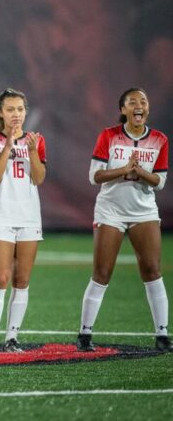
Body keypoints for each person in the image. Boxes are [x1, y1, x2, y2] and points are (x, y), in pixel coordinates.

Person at [77, 88, 171, 353]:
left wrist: (140, 171)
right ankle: (85, 334)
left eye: (143, 101)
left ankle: (162, 335)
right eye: (132, 102)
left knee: (152, 271)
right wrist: (124, 170)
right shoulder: (109, 135)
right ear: (123, 110)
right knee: (102, 273)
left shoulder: (159, 139)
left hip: (144, 211)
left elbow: (160, 182)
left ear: (148, 108)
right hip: (111, 211)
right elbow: (94, 176)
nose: (139, 105)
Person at [0, 88, 46, 353]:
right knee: (0, 277)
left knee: (22, 279)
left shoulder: (36, 141)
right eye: (10, 109)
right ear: (0, 112)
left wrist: (32, 152)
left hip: (29, 216)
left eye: (20, 109)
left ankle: (12, 337)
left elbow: (38, 178)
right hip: (1, 215)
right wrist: (8, 144)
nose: (16, 114)